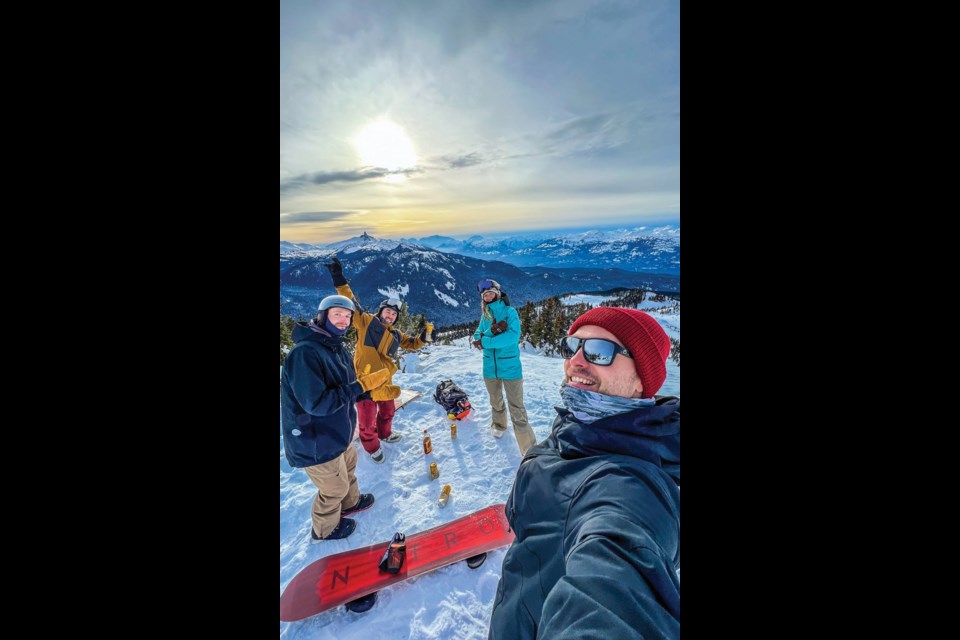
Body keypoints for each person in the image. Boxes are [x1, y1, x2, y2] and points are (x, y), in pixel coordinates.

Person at [488, 307, 680, 639]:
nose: (576, 361)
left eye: (600, 352)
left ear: (641, 380)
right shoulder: (582, 425)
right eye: (572, 346)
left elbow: (613, 584)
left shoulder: (626, 486)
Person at [280, 295, 392, 542]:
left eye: (348, 316)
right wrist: (359, 386)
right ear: (323, 316)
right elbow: (317, 403)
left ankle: (350, 503)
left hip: (334, 431)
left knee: (349, 464)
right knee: (334, 488)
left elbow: (346, 385)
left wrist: (366, 389)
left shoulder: (334, 346)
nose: (344, 320)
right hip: (314, 439)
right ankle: (324, 529)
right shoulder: (305, 354)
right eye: (337, 314)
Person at [325, 257, 434, 463]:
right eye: (388, 311)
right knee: (366, 422)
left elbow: (411, 343)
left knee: (388, 411)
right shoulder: (366, 322)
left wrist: (423, 338)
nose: (390, 316)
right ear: (381, 310)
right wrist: (338, 278)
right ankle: (372, 447)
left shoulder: (395, 335)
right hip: (364, 381)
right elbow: (351, 301)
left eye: (394, 314)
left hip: (384, 381)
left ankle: (385, 434)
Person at [472, 279, 536, 455]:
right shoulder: (485, 316)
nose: (488, 296)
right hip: (489, 367)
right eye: (485, 295)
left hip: (510, 367)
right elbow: (477, 334)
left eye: (491, 292)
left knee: (516, 406)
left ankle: (529, 448)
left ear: (498, 293)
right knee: (495, 400)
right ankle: (499, 424)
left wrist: (485, 341)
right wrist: (488, 334)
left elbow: (512, 337)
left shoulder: (510, 312)